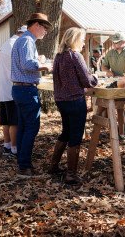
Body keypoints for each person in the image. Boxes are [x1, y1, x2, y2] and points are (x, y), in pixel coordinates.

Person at [49, 27, 98, 184]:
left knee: (66, 132)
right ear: (75, 39)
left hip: (61, 100)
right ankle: (71, 174)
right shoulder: (75, 55)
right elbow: (87, 80)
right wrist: (95, 78)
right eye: (82, 39)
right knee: (75, 135)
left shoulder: (58, 56)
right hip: (75, 100)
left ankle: (53, 165)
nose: (84, 43)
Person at [11, 13, 52, 178]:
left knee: (23, 127)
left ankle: (22, 162)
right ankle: (24, 166)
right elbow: (28, 65)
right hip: (26, 90)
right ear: (36, 25)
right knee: (32, 127)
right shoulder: (27, 40)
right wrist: (46, 66)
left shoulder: (23, 40)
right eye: (45, 28)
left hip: (19, 89)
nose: (46, 32)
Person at [101, 32, 125, 146]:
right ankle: (121, 134)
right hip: (116, 84)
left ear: (124, 42)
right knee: (119, 110)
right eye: (114, 42)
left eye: (117, 42)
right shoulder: (110, 53)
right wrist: (107, 71)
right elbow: (104, 65)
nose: (114, 44)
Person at [0, 25, 27, 158]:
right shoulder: (15, 45)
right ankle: (14, 149)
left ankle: (7, 145)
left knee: (6, 120)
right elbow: (22, 65)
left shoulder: (7, 43)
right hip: (11, 88)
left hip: (3, 88)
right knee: (14, 121)